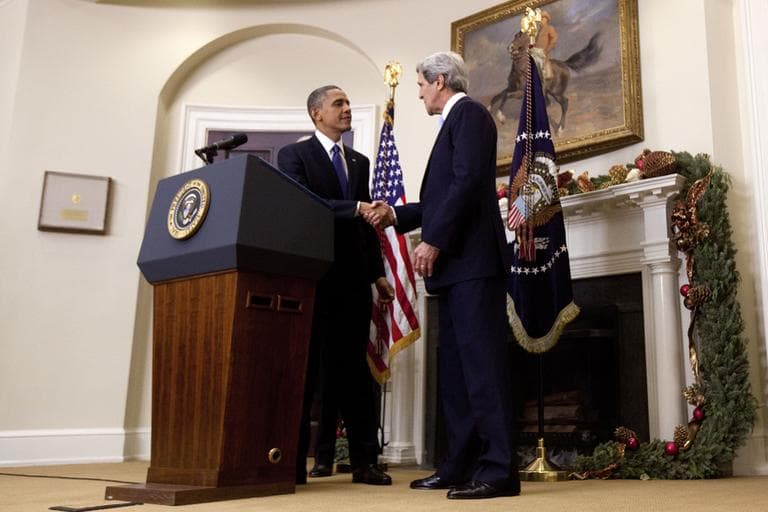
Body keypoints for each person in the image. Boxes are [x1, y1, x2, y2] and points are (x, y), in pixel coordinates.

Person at [364, 52, 519, 500]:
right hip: (455, 269)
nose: (418, 93)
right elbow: (444, 196)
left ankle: (498, 471)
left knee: (482, 369)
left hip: (472, 265)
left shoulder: (470, 114)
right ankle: (459, 465)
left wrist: (433, 240)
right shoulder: (453, 123)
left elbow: (470, 183)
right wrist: (395, 213)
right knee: (455, 372)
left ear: (439, 80)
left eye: (420, 85)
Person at [277, 85, 394, 486]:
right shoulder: (294, 155)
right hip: (312, 278)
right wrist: (356, 207)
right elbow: (302, 204)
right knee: (306, 371)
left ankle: (365, 462)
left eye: (347, 103)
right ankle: (291, 465)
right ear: (316, 113)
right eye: (338, 104)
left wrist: (377, 273)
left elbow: (366, 229)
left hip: (352, 280)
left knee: (354, 375)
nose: (346, 109)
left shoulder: (358, 162)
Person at [533, 10, 558, 81]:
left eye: (542, 19)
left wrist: (548, 49)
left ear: (546, 19)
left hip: (544, 52)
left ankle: (547, 77)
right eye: (540, 19)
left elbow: (554, 39)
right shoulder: (539, 31)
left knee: (544, 66)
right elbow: (536, 42)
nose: (540, 21)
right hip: (537, 52)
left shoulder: (550, 28)